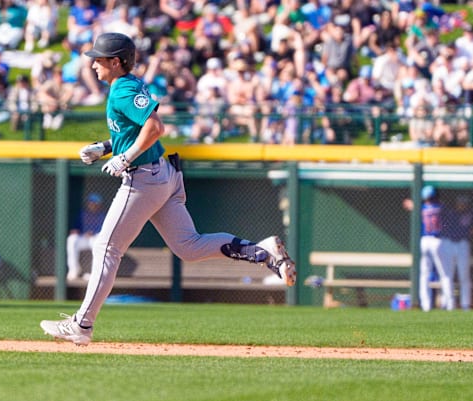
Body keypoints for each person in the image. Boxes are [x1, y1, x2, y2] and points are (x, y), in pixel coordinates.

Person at [40, 33, 296, 346]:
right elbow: (136, 131)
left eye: (100, 58)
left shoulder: (122, 90)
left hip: (144, 178)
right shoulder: (127, 85)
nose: (94, 64)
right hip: (163, 174)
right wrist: (106, 147)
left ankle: (82, 324)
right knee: (189, 246)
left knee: (106, 248)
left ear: (117, 61)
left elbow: (156, 128)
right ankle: (262, 251)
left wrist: (124, 157)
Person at [403, 185, 453, 311]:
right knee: (444, 274)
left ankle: (426, 305)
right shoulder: (440, 207)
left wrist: (412, 205)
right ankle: (449, 303)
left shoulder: (423, 207)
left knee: (424, 274)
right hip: (437, 241)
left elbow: (414, 207)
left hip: (424, 240)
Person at [442, 195, 473, 311]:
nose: (462, 205)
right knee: (448, 274)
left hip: (463, 243)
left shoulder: (471, 213)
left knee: (464, 274)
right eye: (460, 202)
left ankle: (465, 304)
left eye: (464, 203)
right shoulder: (449, 212)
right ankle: (449, 303)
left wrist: (467, 233)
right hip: (448, 243)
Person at [67, 192, 107, 281]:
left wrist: (93, 232)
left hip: (95, 239)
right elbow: (76, 228)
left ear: (99, 205)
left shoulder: (102, 216)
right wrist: (76, 231)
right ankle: (74, 269)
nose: (92, 205)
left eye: (95, 203)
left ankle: (94, 273)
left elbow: (104, 231)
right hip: (84, 238)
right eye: (91, 203)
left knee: (97, 241)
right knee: (71, 239)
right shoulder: (82, 214)